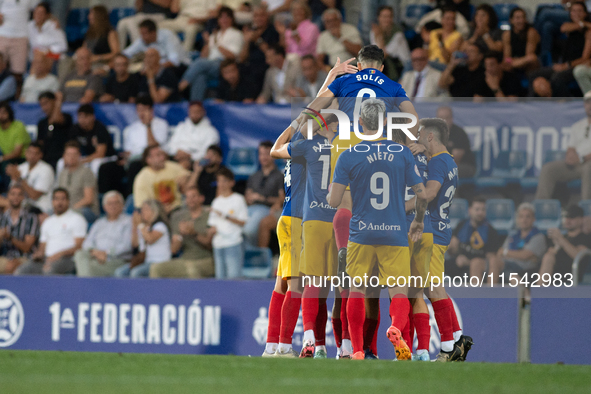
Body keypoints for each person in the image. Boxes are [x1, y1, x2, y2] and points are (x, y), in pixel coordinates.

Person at [328, 99, 428, 361]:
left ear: (360, 123)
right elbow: (422, 194)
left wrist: (331, 192)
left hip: (361, 234)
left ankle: (358, 349)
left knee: (357, 290)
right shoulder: (403, 153)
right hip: (394, 233)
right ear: (385, 122)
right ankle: (396, 327)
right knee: (398, 290)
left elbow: (334, 201)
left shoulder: (349, 155)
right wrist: (417, 220)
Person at [414, 118, 473, 362]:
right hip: (441, 227)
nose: (417, 139)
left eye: (419, 135)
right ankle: (458, 338)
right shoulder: (448, 161)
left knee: (433, 288)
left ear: (430, 136)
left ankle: (449, 347)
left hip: (434, 232)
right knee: (434, 287)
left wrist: (405, 200)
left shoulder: (438, 162)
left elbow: (430, 193)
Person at [99, 94, 170, 195]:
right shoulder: (132, 128)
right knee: (106, 168)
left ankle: (132, 198)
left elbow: (153, 147)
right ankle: (108, 200)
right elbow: (128, 151)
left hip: (149, 160)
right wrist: (124, 158)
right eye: (139, 110)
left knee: (134, 166)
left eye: (144, 110)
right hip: (132, 159)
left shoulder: (161, 124)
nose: (141, 113)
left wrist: (148, 125)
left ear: (151, 110)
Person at [15, 188, 87, 275]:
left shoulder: (77, 219)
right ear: (52, 201)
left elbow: (78, 246)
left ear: (68, 201)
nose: (59, 202)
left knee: (49, 270)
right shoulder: (48, 222)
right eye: (56, 199)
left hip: (68, 259)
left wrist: (59, 254)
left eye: (63, 199)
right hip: (47, 259)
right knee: (22, 270)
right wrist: (39, 254)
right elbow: (42, 246)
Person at [179, 7, 245, 101]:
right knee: (200, 76)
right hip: (210, 64)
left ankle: (181, 87)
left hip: (224, 64)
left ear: (232, 19)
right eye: (221, 18)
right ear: (218, 20)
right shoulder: (215, 34)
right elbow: (203, 56)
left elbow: (232, 57)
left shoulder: (237, 34)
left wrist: (216, 43)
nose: (224, 20)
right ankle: (196, 105)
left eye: (227, 17)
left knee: (199, 63)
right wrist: (207, 43)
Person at [536, 92, 591, 200]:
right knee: (548, 169)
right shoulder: (578, 126)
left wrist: (582, 158)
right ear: (584, 105)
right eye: (588, 103)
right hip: (577, 164)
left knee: (589, 168)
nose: (590, 106)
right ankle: (540, 206)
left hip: (588, 163)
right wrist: (570, 157)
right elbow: (571, 148)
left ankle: (587, 209)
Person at [150, 187, 215, 278]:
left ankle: (196, 293)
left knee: (192, 270)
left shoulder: (209, 215)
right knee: (156, 268)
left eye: (194, 196)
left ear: (202, 198)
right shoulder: (179, 218)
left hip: (206, 260)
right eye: (187, 197)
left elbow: (210, 245)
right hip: (185, 259)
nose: (190, 200)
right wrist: (180, 235)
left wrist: (194, 234)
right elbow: (174, 250)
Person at [530, 2, 591, 98]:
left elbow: (584, 59)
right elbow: (564, 28)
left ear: (585, 13)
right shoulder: (570, 27)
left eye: (580, 11)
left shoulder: (588, 33)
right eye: (573, 11)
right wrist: (582, 24)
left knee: (557, 79)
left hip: (575, 66)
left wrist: (566, 66)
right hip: (564, 64)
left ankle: (565, 105)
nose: (576, 14)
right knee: (534, 75)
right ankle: (531, 104)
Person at [74, 191, 133, 277]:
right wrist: (95, 252)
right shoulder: (99, 223)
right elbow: (87, 242)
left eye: (116, 203)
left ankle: (83, 287)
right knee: (80, 254)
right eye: (109, 203)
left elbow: (127, 245)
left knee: (87, 267)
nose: (113, 206)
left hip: (116, 260)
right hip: (96, 256)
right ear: (104, 207)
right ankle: (85, 285)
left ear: (122, 205)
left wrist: (106, 253)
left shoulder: (128, 222)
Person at [489, 203, 547, 283]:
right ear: (517, 219)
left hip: (525, 269)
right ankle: (490, 291)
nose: (524, 220)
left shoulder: (538, 236)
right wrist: (515, 254)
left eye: (528, 216)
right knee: (493, 261)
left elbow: (525, 255)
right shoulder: (513, 235)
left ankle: (491, 292)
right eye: (521, 216)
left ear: (533, 219)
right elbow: (500, 253)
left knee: (503, 269)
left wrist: (506, 252)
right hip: (507, 265)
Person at [447, 197, 503, 280]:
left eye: (483, 210)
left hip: (479, 265)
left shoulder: (491, 231)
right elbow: (453, 248)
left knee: (475, 264)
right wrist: (452, 248)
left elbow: (491, 259)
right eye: (477, 210)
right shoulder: (462, 225)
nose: (480, 213)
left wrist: (468, 262)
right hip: (460, 261)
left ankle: (479, 292)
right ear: (470, 210)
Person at [207, 167, 248, 279]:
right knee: (220, 280)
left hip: (233, 243)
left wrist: (225, 216)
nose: (221, 184)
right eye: (219, 181)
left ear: (231, 182)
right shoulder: (216, 202)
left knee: (234, 279)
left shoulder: (238, 199)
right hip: (218, 244)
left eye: (224, 180)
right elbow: (212, 223)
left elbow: (243, 222)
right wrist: (211, 231)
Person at [115, 199, 171, 278]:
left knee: (136, 273)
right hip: (147, 261)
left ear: (154, 211)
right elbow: (134, 244)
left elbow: (150, 239)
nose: (142, 212)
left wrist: (140, 224)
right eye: (142, 209)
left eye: (146, 209)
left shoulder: (160, 226)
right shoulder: (144, 228)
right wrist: (134, 225)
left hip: (160, 262)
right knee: (120, 272)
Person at [243, 141, 284, 247]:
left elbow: (281, 198)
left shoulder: (279, 176)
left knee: (249, 230)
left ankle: (258, 256)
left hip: (266, 209)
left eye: (267, 154)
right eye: (261, 154)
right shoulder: (253, 176)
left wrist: (262, 199)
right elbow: (247, 196)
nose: (263, 157)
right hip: (250, 209)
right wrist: (249, 198)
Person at [133, 145, 191, 213]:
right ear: (148, 160)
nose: (162, 158)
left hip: (178, 209)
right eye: (158, 155)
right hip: (156, 213)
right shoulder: (141, 178)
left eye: (162, 154)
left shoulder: (171, 166)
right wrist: (161, 210)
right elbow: (141, 205)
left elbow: (189, 175)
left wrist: (185, 179)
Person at [64, 104, 117, 178]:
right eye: (80, 117)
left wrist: (83, 160)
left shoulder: (100, 129)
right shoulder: (75, 129)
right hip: (84, 157)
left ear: (92, 117)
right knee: (62, 162)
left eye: (85, 117)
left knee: (96, 163)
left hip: (107, 158)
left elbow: (100, 154)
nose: (82, 120)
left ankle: (94, 187)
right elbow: (69, 147)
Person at [238, 5, 279, 97]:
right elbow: (242, 58)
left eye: (262, 15)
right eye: (256, 16)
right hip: (250, 64)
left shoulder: (272, 31)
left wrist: (258, 40)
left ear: (267, 17)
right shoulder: (251, 31)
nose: (259, 18)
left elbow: (272, 55)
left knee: (256, 73)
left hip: (265, 64)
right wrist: (247, 42)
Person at [539, 204, 591, 277]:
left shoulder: (585, 237)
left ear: (581, 219)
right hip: (552, 271)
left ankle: (540, 288)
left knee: (549, 258)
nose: (567, 220)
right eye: (565, 217)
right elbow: (551, 252)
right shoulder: (562, 236)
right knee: (517, 276)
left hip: (570, 273)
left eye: (572, 217)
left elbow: (578, 256)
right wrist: (556, 246)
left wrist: (561, 239)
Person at [165, 101, 220, 168]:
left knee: (184, 164)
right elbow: (171, 144)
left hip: (196, 161)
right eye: (192, 112)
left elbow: (209, 153)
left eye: (197, 111)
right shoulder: (181, 127)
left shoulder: (211, 131)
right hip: (176, 156)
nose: (195, 114)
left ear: (203, 112)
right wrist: (178, 152)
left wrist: (190, 156)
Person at [0, 0, 38, 94]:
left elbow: (38, 9)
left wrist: (52, 18)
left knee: (18, 72)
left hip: (21, 35)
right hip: (3, 33)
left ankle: (17, 99)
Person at [5, 142, 55, 214]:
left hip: (40, 207)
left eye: (35, 153)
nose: (32, 156)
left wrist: (19, 178)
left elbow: (34, 196)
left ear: (40, 155)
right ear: (26, 153)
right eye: (30, 152)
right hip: (22, 204)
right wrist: (13, 175)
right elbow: (12, 191)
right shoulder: (21, 167)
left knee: (10, 206)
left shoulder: (46, 170)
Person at [58, 141, 100, 224]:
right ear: (64, 156)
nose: (71, 157)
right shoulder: (63, 172)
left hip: (86, 210)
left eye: (74, 154)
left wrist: (69, 210)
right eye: (68, 154)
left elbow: (88, 199)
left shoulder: (86, 172)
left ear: (79, 156)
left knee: (70, 216)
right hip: (68, 209)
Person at [0, 184, 39, 274]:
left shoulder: (31, 218)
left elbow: (26, 248)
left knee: (10, 266)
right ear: (8, 196)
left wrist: (10, 237)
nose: (15, 197)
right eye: (13, 194)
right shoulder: (2, 218)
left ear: (23, 197)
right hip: (5, 256)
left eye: (19, 194)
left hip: (24, 257)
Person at [123, 19, 188, 69]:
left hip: (179, 66)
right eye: (141, 34)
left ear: (153, 32)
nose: (142, 37)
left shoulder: (168, 35)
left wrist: (155, 68)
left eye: (144, 34)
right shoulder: (142, 40)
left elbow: (174, 61)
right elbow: (126, 53)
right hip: (158, 69)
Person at [370, 5, 410, 80]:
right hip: (386, 66)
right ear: (379, 18)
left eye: (390, 17)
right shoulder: (374, 31)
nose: (387, 19)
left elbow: (383, 54)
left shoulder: (398, 34)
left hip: (402, 68)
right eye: (385, 17)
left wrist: (380, 37)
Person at [436, 106, 476, 179]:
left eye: (446, 118)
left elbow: (455, 159)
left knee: (448, 170)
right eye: (441, 118)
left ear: (451, 119)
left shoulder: (459, 133)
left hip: (464, 166)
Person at [36, 91, 72, 170]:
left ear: (54, 102)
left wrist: (58, 101)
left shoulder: (66, 117)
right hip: (45, 159)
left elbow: (56, 119)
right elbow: (40, 143)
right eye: (42, 105)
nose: (44, 107)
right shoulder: (42, 123)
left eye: (46, 103)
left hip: (61, 158)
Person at [501, 7, 540, 74]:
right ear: (511, 20)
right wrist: (514, 62)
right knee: (504, 65)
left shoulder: (531, 32)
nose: (521, 21)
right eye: (518, 18)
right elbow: (507, 58)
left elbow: (529, 56)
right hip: (516, 62)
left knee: (532, 60)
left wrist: (514, 62)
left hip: (527, 63)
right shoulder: (507, 35)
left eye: (523, 17)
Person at [0, 101, 30, 185]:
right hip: (6, 158)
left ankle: (8, 191)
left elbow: (17, 153)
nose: (1, 115)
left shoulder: (18, 126)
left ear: (9, 113)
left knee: (6, 165)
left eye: (3, 112)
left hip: (22, 159)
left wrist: (2, 158)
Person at [83, 5, 120, 70]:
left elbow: (116, 53)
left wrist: (98, 58)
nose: (88, 17)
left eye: (91, 14)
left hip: (102, 64)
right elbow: (84, 49)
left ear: (98, 16)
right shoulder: (89, 33)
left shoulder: (110, 32)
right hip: (88, 63)